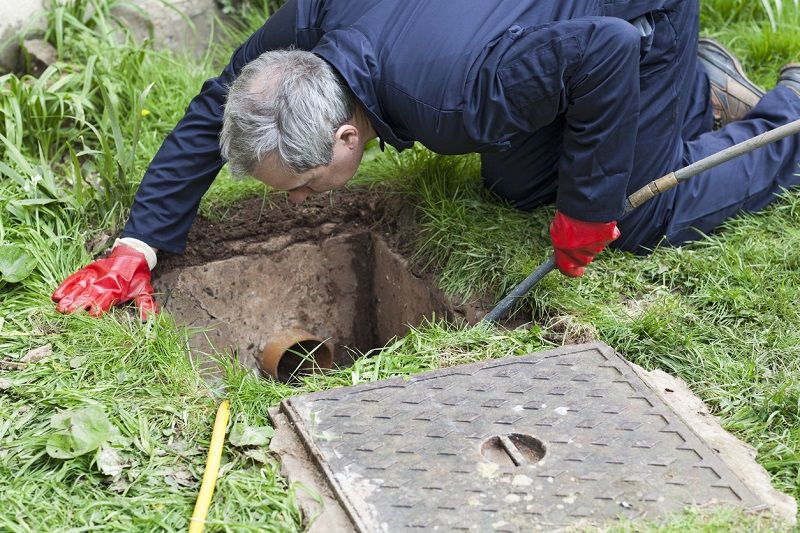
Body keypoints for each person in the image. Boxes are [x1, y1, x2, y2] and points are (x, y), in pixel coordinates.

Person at [52, 0, 800, 319]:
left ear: (349, 139)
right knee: (514, 181)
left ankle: (784, 114)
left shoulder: (453, 103)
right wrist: (137, 243)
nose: (298, 202)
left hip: (633, 19)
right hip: (546, 26)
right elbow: (222, 96)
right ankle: (691, 89)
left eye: (304, 186)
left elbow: (602, 50)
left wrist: (589, 209)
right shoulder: (314, 22)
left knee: (634, 214)